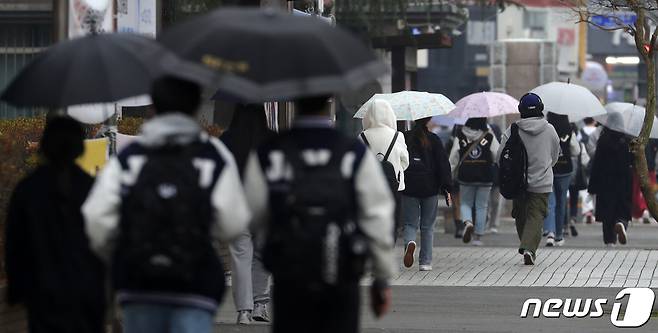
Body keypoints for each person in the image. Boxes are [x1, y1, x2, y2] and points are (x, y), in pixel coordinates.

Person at [83, 76, 251, 333]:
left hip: (139, 284)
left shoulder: (131, 156)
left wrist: (120, 250)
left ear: (153, 107)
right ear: (195, 106)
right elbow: (234, 222)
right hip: (195, 285)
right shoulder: (212, 154)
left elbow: (96, 219)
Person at [242, 96, 395, 333]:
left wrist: (271, 241)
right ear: (330, 102)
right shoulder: (353, 152)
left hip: (290, 275)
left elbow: (251, 213)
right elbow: (377, 216)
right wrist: (382, 276)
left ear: (294, 102)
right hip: (342, 273)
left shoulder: (270, 152)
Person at [5, 116, 106, 333]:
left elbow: (15, 244)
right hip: (86, 292)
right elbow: (106, 241)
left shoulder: (27, 189)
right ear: (80, 147)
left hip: (42, 292)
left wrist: (16, 289)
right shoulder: (92, 188)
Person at [221, 104, 275, 324]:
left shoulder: (227, 139)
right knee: (262, 255)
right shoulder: (271, 139)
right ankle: (260, 305)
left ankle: (243, 310)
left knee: (240, 256)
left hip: (237, 204)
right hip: (264, 204)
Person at [497, 93, 559, 265]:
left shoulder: (513, 129)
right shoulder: (549, 129)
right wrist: (545, 167)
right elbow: (555, 155)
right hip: (542, 182)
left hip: (518, 182)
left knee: (520, 215)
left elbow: (500, 156)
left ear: (520, 110)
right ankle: (529, 248)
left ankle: (526, 244)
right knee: (536, 216)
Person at [401, 117, 453, 271]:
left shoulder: (404, 137)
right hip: (430, 187)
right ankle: (425, 262)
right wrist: (447, 187)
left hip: (409, 186)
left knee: (410, 223)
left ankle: (410, 242)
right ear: (428, 120)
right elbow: (443, 164)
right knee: (427, 226)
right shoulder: (434, 139)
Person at [360, 99, 409, 242]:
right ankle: (389, 248)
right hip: (394, 186)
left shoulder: (362, 136)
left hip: (369, 187)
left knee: (371, 220)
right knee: (392, 222)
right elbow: (405, 162)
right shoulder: (397, 136)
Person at [449, 117, 499, 246]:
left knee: (465, 203)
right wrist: (491, 162)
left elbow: (454, 156)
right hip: (485, 174)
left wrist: (450, 172)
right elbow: (496, 153)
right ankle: (477, 237)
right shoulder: (488, 135)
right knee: (481, 206)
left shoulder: (460, 134)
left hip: (466, 174)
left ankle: (468, 222)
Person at [588, 119, 633, 246]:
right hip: (624, 181)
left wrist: (592, 186)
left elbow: (596, 164)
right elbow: (633, 161)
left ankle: (609, 241)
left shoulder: (603, 140)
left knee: (607, 212)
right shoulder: (628, 141)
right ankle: (621, 223)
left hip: (605, 182)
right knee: (623, 208)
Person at [542, 112, 581, 247]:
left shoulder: (546, 129)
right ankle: (559, 235)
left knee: (550, 202)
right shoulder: (569, 130)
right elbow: (576, 150)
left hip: (549, 169)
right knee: (561, 202)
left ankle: (550, 233)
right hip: (565, 169)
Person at [631, 139, 658, 224]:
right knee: (651, 190)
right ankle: (647, 209)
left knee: (636, 190)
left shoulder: (634, 135)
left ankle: (638, 212)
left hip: (637, 167)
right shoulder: (654, 137)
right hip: (650, 166)